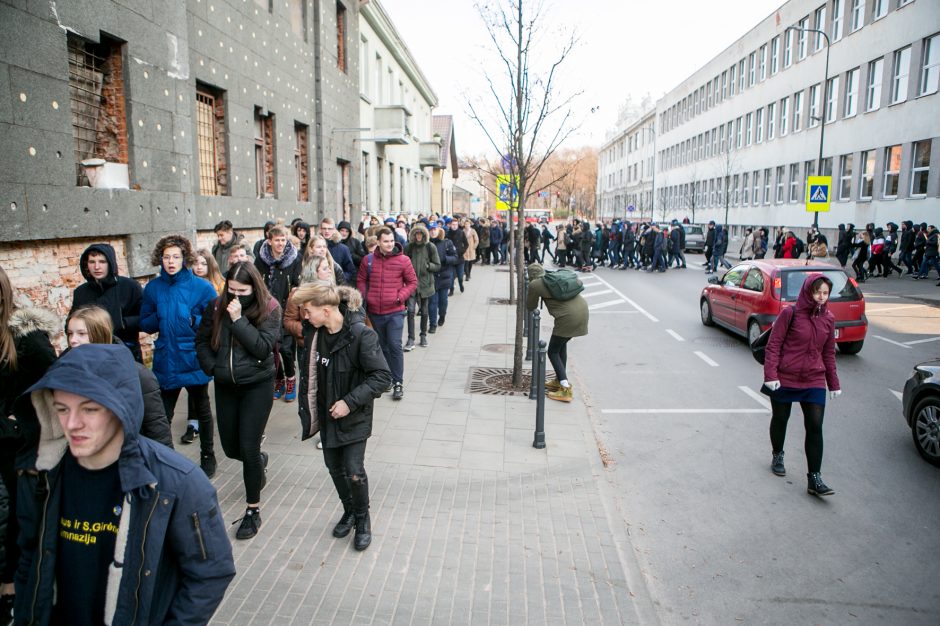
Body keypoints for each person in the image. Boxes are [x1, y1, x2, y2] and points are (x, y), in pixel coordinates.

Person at [13, 344, 235, 624]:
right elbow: (29, 557)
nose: (72, 424)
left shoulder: (176, 482)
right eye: (61, 409)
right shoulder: (41, 474)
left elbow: (211, 572)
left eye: (89, 409)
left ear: (121, 407)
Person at [292, 283, 391, 551]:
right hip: (327, 418)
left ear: (325, 310)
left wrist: (349, 402)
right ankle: (349, 510)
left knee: (354, 472)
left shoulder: (361, 335)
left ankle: (363, 520)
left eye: (307, 311)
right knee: (335, 469)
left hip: (354, 418)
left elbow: (382, 377)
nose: (305, 316)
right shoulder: (315, 333)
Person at [196, 262, 281, 540]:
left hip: (257, 384)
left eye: (241, 291)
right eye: (230, 289)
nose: (235, 296)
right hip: (226, 384)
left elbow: (261, 347)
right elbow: (202, 341)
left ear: (253, 288)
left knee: (247, 446)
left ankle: (252, 510)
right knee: (232, 449)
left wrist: (238, 320)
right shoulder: (216, 306)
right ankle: (258, 460)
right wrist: (212, 367)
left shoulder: (269, 308)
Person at [0, 267, 57, 620]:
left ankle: (13, 585)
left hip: (16, 444)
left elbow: (55, 384)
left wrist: (21, 419)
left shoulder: (27, 336)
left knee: (19, 518)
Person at [140, 234, 217, 474]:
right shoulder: (153, 288)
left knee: (202, 410)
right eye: (166, 257)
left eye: (176, 256)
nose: (171, 261)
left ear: (185, 258)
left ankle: (208, 455)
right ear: (159, 259)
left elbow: (214, 321)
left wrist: (193, 319)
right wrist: (160, 317)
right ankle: (167, 460)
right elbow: (145, 321)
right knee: (162, 415)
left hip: (193, 357)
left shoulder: (201, 287)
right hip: (167, 358)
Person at [763, 273, 841, 497]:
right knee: (781, 418)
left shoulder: (828, 318)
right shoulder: (791, 313)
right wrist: (771, 375)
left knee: (815, 427)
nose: (821, 297)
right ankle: (778, 454)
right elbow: (773, 346)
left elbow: (828, 353)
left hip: (813, 379)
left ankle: (814, 479)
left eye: (825, 293)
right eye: (817, 292)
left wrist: (833, 383)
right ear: (808, 291)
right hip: (784, 377)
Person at [66, 305, 173, 448]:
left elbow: (156, 426)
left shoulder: (137, 375)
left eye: (81, 333)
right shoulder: (67, 373)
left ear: (99, 334)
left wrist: (163, 466)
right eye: (70, 333)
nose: (73, 340)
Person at [357, 227, 417, 400]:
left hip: (395, 312)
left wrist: (400, 297)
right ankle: (387, 378)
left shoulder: (403, 260)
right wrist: (365, 295)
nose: (389, 244)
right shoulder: (368, 260)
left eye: (391, 241)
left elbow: (412, 282)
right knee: (382, 346)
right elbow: (361, 279)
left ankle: (398, 382)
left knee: (394, 345)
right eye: (386, 241)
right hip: (375, 311)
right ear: (378, 242)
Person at [525, 263, 589, 402]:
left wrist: (532, 291)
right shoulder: (551, 278)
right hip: (582, 311)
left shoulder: (535, 284)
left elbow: (530, 306)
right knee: (561, 346)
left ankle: (565, 389)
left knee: (552, 351)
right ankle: (559, 379)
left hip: (568, 318)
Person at [69, 243, 144, 362]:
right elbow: (71, 322)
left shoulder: (130, 286)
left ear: (111, 263)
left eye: (102, 262)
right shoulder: (81, 292)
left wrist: (123, 323)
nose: (97, 267)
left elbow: (146, 317)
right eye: (92, 262)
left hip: (126, 350)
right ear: (86, 264)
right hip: (91, 355)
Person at [255, 225, 302, 402]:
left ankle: (291, 379)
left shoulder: (294, 258)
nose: (281, 243)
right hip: (267, 309)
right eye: (277, 240)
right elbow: (256, 281)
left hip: (287, 308)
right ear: (270, 241)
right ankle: (279, 379)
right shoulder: (261, 260)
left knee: (286, 349)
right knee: (272, 349)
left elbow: (298, 281)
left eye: (283, 240)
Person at [404, 222, 440, 350]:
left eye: (420, 234)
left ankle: (423, 335)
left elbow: (437, 264)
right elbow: (403, 263)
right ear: (413, 235)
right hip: (411, 285)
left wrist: (428, 266)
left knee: (424, 311)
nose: (418, 236)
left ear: (424, 235)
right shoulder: (408, 247)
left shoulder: (430, 247)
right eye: (416, 234)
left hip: (426, 284)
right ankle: (410, 339)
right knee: (411, 311)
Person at [428, 222, 459, 331]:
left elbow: (455, 258)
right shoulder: (426, 244)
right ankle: (432, 324)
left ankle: (442, 315)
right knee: (432, 302)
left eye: (434, 229)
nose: (432, 231)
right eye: (430, 229)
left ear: (439, 230)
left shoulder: (447, 243)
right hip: (431, 278)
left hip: (444, 276)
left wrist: (446, 259)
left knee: (443, 301)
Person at [319, 218, 357, 284]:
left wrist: (339, 278)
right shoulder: (315, 246)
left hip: (337, 287)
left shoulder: (343, 249)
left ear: (334, 230)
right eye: (324, 228)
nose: (327, 231)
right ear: (320, 230)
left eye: (329, 229)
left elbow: (351, 271)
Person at [445, 218, 468, 294]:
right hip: (451, 259)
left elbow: (466, 244)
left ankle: (461, 284)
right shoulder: (447, 234)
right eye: (453, 225)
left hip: (459, 258)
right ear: (450, 225)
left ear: (458, 225)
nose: (454, 226)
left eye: (456, 225)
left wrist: (461, 251)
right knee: (451, 276)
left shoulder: (461, 232)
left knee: (460, 276)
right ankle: (451, 290)